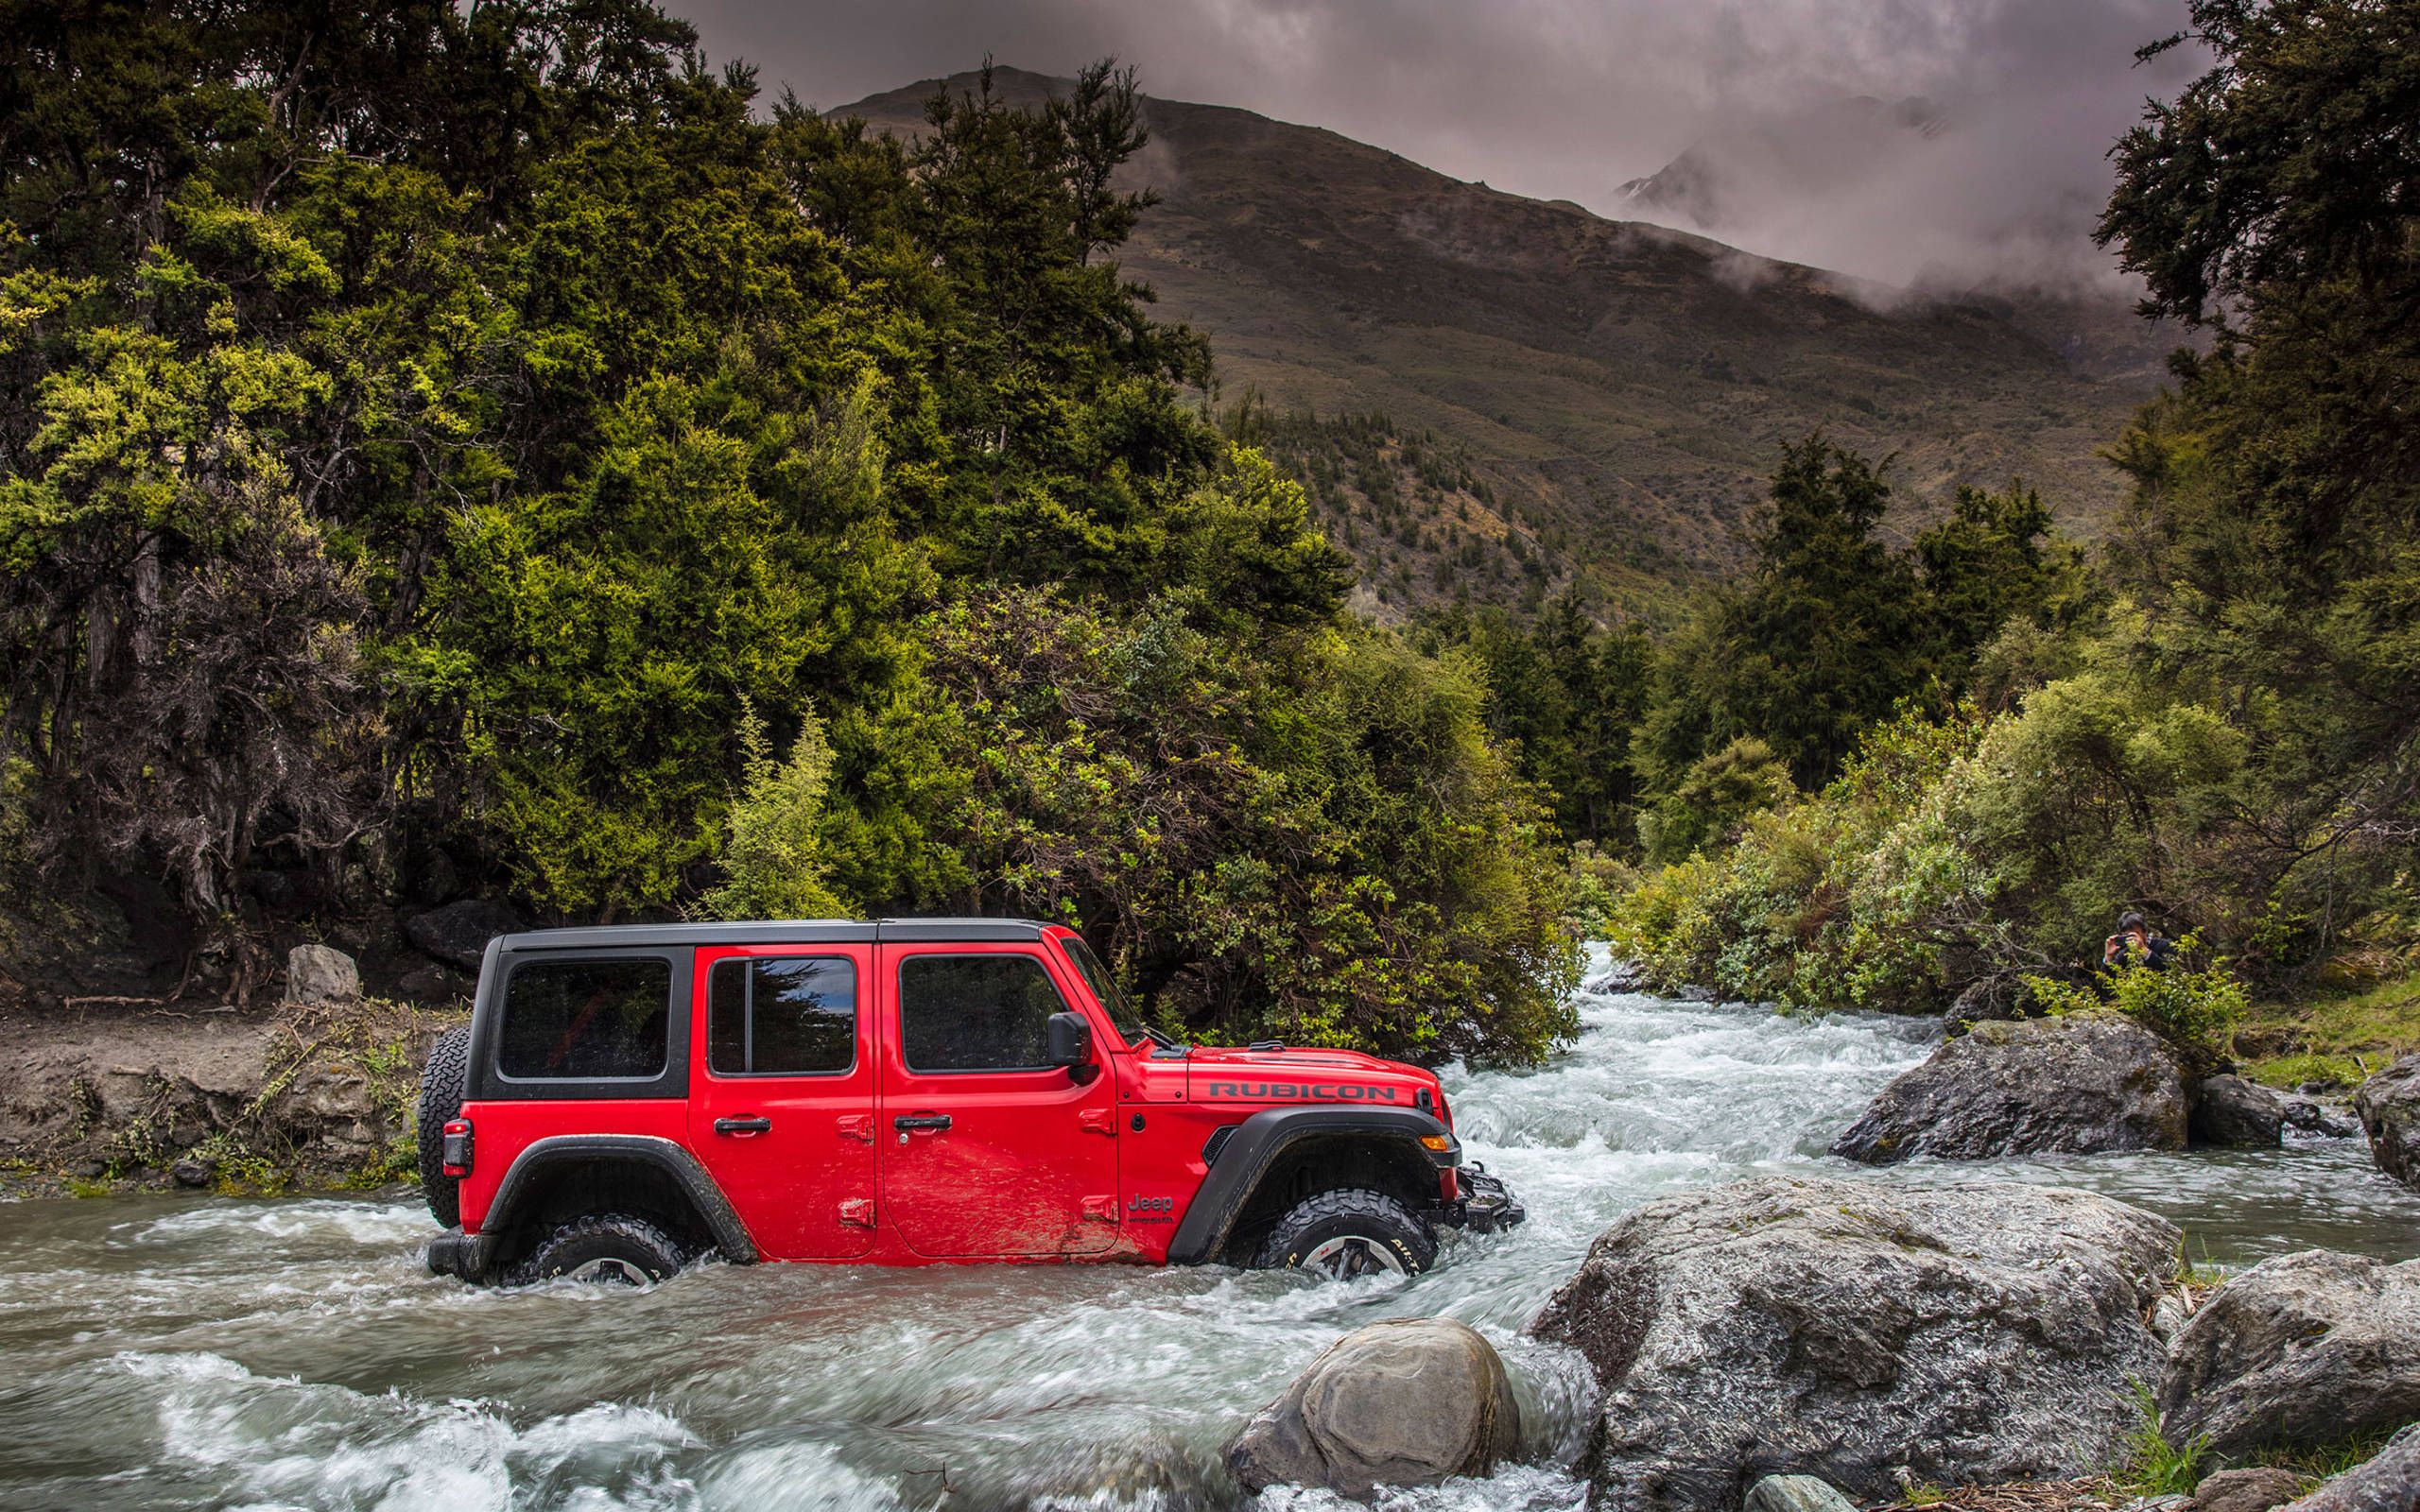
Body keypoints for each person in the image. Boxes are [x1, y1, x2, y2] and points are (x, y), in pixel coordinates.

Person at [2102, 911, 2174, 972]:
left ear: (2145, 931)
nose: (2132, 939)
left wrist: (2144, 951)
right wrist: (2108, 957)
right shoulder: (2124, 955)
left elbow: (2169, 969)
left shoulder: (2164, 945)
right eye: (2127, 935)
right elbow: (2110, 982)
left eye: (2135, 934)